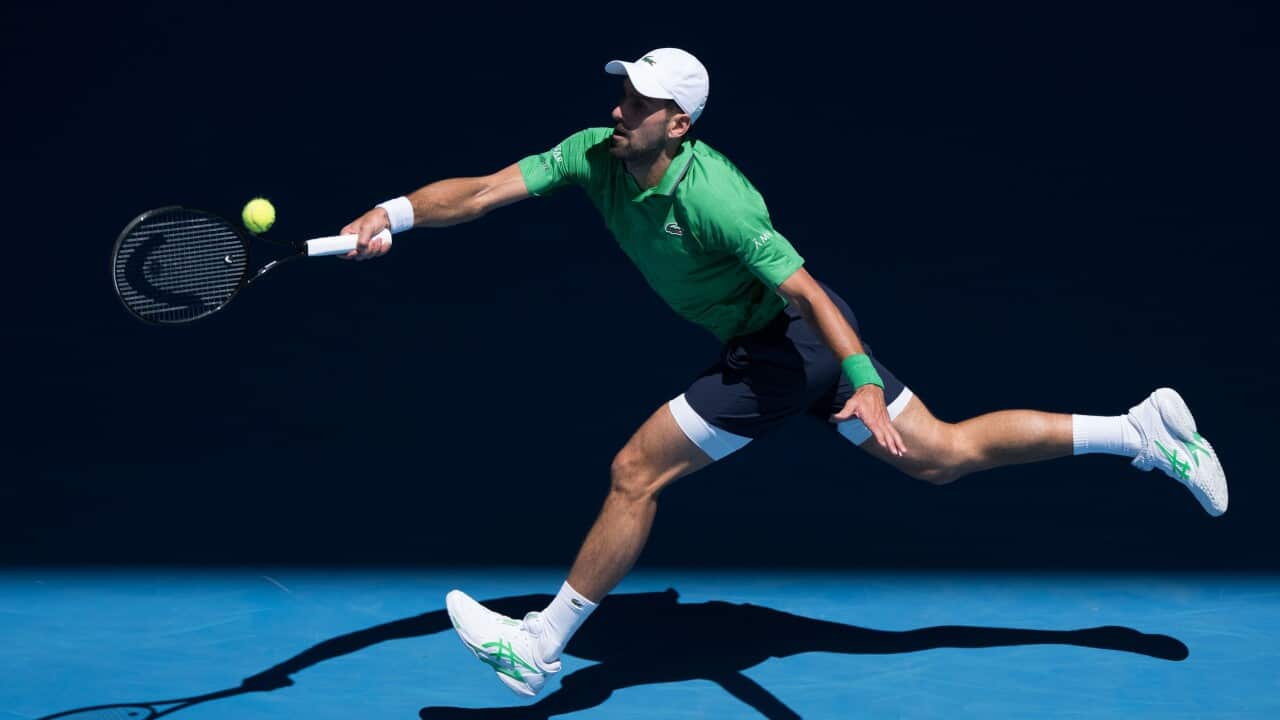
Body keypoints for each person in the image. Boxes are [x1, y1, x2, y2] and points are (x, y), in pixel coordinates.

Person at [339, 47, 1228, 698]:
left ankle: (542, 641)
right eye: (623, 94)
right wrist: (396, 214)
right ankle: (1140, 431)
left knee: (634, 473)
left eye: (641, 104)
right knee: (944, 456)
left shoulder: (718, 198)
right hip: (776, 348)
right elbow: (487, 190)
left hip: (788, 345)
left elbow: (807, 291)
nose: (621, 111)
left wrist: (860, 378)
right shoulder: (593, 156)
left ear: (678, 124)